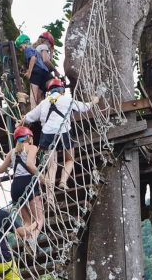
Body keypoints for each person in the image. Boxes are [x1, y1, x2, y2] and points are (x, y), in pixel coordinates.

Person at [23, 78, 98, 207]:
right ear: (62, 90)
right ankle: (63, 181)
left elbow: (28, 117)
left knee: (52, 166)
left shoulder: (43, 103)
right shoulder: (66, 100)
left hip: (47, 134)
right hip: (63, 132)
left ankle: (50, 197)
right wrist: (94, 101)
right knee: (69, 159)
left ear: (49, 91)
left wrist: (20, 123)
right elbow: (84, 107)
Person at [0, 125, 45, 239]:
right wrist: (42, 178)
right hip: (28, 182)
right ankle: (33, 239)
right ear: (28, 137)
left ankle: (26, 238)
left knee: (27, 221)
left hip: (15, 187)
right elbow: (30, 164)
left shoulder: (12, 152)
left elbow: (0, 170)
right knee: (39, 219)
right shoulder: (32, 148)